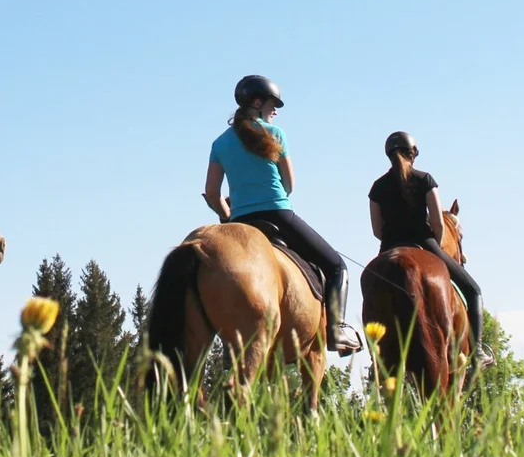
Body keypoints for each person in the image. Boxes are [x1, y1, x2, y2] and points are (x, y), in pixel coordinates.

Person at [204, 75, 362, 355]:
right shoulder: (276, 135)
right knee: (337, 266)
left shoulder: (219, 144)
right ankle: (336, 330)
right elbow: (289, 184)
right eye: (272, 104)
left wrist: (228, 216)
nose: (275, 110)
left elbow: (212, 193)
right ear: (257, 103)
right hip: (278, 214)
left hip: (241, 222)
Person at [366, 131, 483, 353]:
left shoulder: (377, 187)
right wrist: (434, 250)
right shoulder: (425, 180)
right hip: (424, 242)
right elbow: (438, 224)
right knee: (474, 291)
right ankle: (477, 352)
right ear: (414, 154)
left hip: (390, 246)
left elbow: (377, 230)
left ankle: (376, 361)